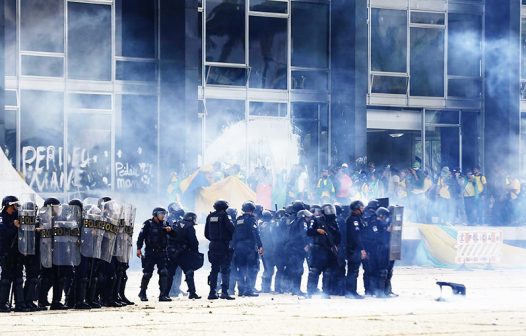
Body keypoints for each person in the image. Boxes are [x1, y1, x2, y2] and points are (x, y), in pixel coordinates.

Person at [0, 196, 30, 312]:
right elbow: (5, 233)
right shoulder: (2, 218)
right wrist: (14, 226)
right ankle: (2, 303)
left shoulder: (17, 217)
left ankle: (20, 303)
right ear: (8, 205)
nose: (16, 208)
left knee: (18, 278)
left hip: (17, 252)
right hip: (6, 253)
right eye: (14, 206)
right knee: (6, 279)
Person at [136, 207, 172, 302]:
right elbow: (141, 236)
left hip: (162, 253)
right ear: (155, 214)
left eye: (164, 213)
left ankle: (163, 295)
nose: (163, 215)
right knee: (147, 273)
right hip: (150, 252)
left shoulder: (165, 224)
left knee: (164, 272)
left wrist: (170, 230)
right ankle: (142, 292)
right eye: (161, 213)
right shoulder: (148, 223)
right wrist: (139, 248)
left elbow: (174, 235)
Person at [306, 204, 341, 298]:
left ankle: (325, 292)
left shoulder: (334, 222)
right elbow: (309, 232)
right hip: (317, 249)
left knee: (328, 272)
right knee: (314, 271)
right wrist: (317, 230)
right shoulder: (316, 219)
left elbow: (338, 235)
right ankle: (310, 292)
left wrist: (336, 245)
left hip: (329, 250)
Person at [165, 212, 202, 300]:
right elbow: (193, 241)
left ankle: (165, 293)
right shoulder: (189, 226)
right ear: (191, 218)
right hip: (183, 253)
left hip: (172, 252)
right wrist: (195, 252)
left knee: (170, 273)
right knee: (189, 272)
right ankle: (192, 293)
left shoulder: (176, 223)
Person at [204, 200, 235, 300]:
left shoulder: (210, 216)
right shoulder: (225, 216)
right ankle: (224, 292)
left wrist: (214, 240)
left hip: (213, 245)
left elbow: (206, 233)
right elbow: (232, 229)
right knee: (225, 270)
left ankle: (212, 292)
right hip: (224, 246)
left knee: (214, 269)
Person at [232, 201, 263, 297]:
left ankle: (241, 290)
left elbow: (234, 234)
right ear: (252, 210)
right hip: (249, 248)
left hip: (238, 247)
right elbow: (255, 232)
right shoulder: (252, 219)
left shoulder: (238, 220)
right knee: (252, 268)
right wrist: (260, 246)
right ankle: (249, 290)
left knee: (241, 268)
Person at [345, 200, 366, 299]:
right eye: (361, 207)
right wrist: (361, 249)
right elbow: (356, 236)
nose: (362, 209)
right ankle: (351, 292)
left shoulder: (356, 218)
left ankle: (351, 291)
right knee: (353, 271)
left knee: (353, 271)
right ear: (357, 208)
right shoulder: (353, 220)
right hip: (354, 249)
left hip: (354, 249)